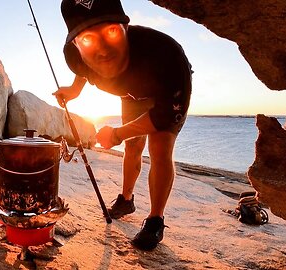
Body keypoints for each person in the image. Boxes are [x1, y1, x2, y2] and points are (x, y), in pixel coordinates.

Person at [54, 0, 192, 251]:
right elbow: (83, 70)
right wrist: (74, 91)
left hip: (165, 91)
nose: (103, 49)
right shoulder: (75, 58)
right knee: (133, 147)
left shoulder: (167, 57)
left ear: (126, 28)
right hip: (131, 95)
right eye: (86, 39)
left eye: (111, 31)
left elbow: (162, 117)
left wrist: (116, 133)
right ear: (75, 45)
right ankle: (127, 199)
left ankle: (155, 219)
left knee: (160, 148)